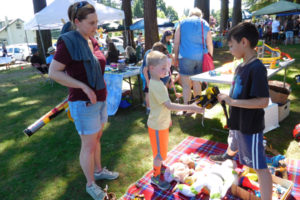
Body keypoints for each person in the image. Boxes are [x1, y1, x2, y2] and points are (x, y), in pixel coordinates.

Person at [49, 2, 118, 200]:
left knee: (96, 139)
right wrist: (84, 86)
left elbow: (95, 65)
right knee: (88, 145)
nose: (96, 27)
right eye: (91, 23)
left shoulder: (91, 39)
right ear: (77, 22)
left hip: (100, 98)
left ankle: (98, 170)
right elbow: (54, 72)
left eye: (97, 22)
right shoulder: (68, 41)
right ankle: (90, 184)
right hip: (83, 102)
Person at [209, 22, 272, 200]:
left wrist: (233, 101)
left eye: (231, 45)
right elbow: (239, 93)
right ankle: (227, 157)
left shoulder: (257, 68)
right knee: (236, 147)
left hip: (250, 127)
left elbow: (263, 101)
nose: (229, 50)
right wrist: (225, 98)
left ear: (243, 42)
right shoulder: (241, 66)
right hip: (239, 123)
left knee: (259, 166)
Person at [146, 50, 204, 190]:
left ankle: (159, 168)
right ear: (152, 68)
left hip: (160, 124)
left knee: (159, 152)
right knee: (160, 154)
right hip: (157, 126)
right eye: (163, 68)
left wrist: (168, 119)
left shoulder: (157, 82)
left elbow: (161, 106)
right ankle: (155, 177)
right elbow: (169, 105)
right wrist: (191, 107)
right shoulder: (157, 85)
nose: (166, 71)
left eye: (167, 68)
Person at [173, 8, 213, 115]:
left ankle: (187, 109)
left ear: (190, 15)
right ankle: (198, 108)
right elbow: (209, 43)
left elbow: (176, 43)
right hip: (200, 58)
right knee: (197, 83)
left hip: (185, 57)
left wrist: (175, 58)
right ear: (200, 15)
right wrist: (210, 57)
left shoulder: (182, 23)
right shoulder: (204, 23)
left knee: (186, 85)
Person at [141, 42, 178, 114]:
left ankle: (159, 105)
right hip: (149, 75)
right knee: (148, 92)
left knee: (160, 90)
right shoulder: (149, 54)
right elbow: (145, 70)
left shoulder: (163, 54)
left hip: (158, 75)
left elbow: (172, 64)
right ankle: (149, 109)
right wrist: (148, 81)